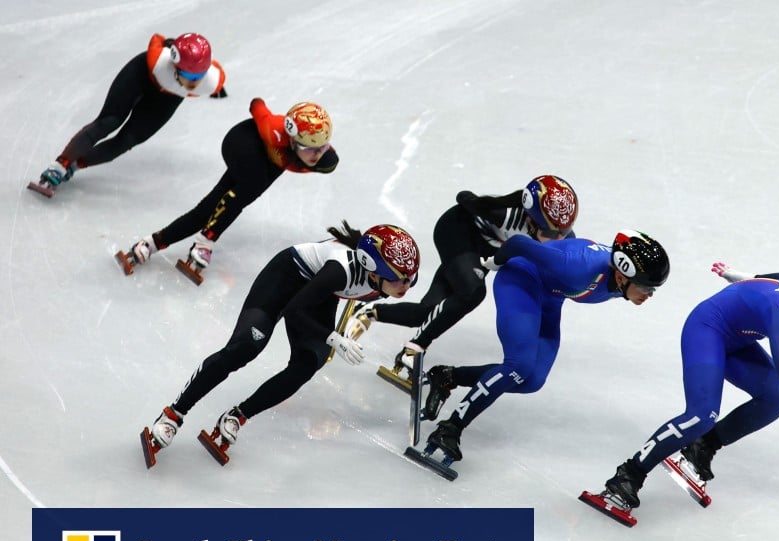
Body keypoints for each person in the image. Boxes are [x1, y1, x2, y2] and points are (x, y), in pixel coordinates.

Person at [591, 260, 779, 514]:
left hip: (737, 339)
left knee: (776, 397)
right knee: (701, 415)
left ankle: (700, 448)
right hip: (707, 331)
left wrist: (745, 277)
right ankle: (627, 477)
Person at [139, 223, 420, 467]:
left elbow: (335, 299)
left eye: (410, 278)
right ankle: (173, 414)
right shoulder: (340, 270)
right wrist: (333, 337)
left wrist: (333, 334)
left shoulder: (384, 284)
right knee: (245, 347)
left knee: (308, 363)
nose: (407, 287)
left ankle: (238, 416)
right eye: (400, 279)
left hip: (319, 294)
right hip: (284, 280)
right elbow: (294, 308)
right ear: (373, 270)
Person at [414, 229, 670, 465]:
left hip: (551, 296)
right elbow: (518, 243)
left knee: (532, 379)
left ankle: (448, 376)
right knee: (518, 366)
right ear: (621, 274)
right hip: (521, 281)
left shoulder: (620, 283)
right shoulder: (576, 266)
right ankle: (450, 428)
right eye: (647, 287)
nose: (649, 295)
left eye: (655, 290)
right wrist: (495, 262)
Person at [345, 175, 579, 391]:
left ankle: (368, 311)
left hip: (480, 249)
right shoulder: (506, 214)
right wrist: (480, 204)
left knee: (427, 314)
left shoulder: (561, 234)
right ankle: (414, 349)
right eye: (550, 232)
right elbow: (462, 197)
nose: (558, 238)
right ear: (530, 218)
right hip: (456, 231)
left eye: (563, 230)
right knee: (473, 292)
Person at [116, 98, 337, 278]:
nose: (317, 155)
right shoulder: (273, 130)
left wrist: (315, 152)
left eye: (322, 148)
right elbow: (256, 104)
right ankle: (205, 241)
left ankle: (151, 243)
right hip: (243, 142)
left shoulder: (322, 160)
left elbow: (318, 154)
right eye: (310, 149)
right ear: (292, 140)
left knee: (208, 208)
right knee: (250, 187)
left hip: (266, 164)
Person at [31, 33, 228, 195]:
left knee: (127, 140)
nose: (194, 83)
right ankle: (58, 165)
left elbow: (208, 79)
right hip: (141, 75)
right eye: (189, 76)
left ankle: (74, 165)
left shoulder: (211, 81)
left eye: (199, 76)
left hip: (167, 98)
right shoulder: (158, 62)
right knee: (109, 121)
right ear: (175, 66)